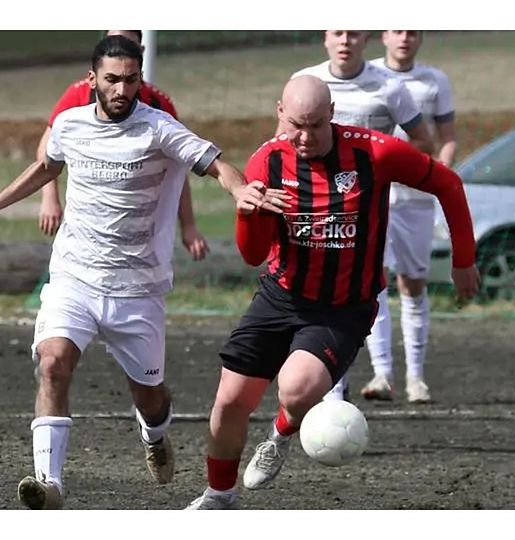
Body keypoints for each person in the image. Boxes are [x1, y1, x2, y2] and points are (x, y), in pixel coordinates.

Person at [0, 35, 284, 510]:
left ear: (140, 80)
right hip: (74, 278)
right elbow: (46, 167)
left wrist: (239, 191)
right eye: (112, 79)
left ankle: (155, 434)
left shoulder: (159, 128)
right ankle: (49, 484)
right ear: (92, 80)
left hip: (137, 290)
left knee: (150, 398)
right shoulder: (69, 125)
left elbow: (216, 165)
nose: (122, 89)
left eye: (130, 80)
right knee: (52, 363)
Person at [184, 75, 479, 510]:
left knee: (295, 389)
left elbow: (447, 183)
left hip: (343, 307)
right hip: (281, 296)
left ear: (332, 115)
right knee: (229, 401)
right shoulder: (267, 161)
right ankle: (218, 497)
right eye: (296, 126)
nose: (304, 138)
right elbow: (252, 256)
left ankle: (280, 433)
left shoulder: (374, 152)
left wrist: (463, 260)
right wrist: (247, 214)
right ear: (280, 113)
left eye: (316, 126)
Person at [289, 30, 436, 403]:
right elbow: (282, 144)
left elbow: (423, 141)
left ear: (366, 39)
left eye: (353, 33)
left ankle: (408, 376)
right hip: (320, 211)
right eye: (338, 32)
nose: (345, 41)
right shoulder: (305, 83)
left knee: (383, 285)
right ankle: (340, 386)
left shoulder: (389, 86)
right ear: (325, 38)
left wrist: (380, 166)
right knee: (332, 292)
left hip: (373, 210)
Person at [35, 30, 208, 261]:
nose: (120, 49)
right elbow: (48, 150)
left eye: (128, 44)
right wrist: (49, 198)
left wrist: (189, 225)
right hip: (84, 241)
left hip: (138, 235)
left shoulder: (158, 106)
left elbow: (179, 164)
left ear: (141, 52)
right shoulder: (79, 95)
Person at [360, 30, 458, 403]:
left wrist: (438, 174)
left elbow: (447, 138)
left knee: (412, 282)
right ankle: (382, 373)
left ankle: (416, 378)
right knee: (374, 281)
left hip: (415, 197)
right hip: (374, 195)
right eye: (397, 30)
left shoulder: (435, 80)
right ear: (383, 35)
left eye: (412, 31)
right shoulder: (369, 77)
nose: (404, 38)